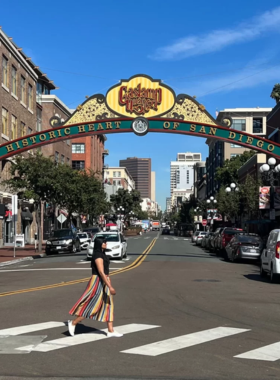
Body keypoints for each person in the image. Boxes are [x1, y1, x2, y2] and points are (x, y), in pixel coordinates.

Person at [68, 237, 123, 338]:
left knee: (108, 305)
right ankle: (73, 323)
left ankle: (110, 330)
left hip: (105, 279)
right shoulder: (97, 255)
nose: (105, 243)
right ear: (99, 244)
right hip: (98, 281)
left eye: (106, 242)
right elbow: (101, 272)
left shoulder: (103, 254)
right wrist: (110, 286)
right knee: (92, 306)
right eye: (103, 242)